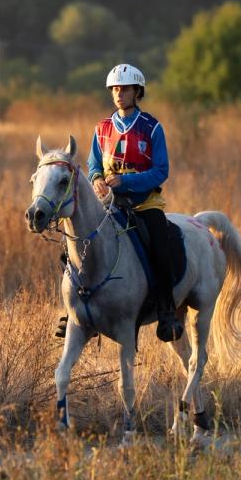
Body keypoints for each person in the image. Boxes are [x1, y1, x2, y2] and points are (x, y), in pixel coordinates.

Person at [78, 63, 184, 342]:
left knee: (162, 250)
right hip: (109, 206)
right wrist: (97, 177)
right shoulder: (101, 129)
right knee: (78, 246)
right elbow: (92, 165)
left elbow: (161, 170)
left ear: (137, 91)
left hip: (145, 204)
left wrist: (127, 182)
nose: (118, 93)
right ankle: (73, 311)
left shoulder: (152, 127)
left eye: (124, 88)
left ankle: (167, 313)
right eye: (114, 88)